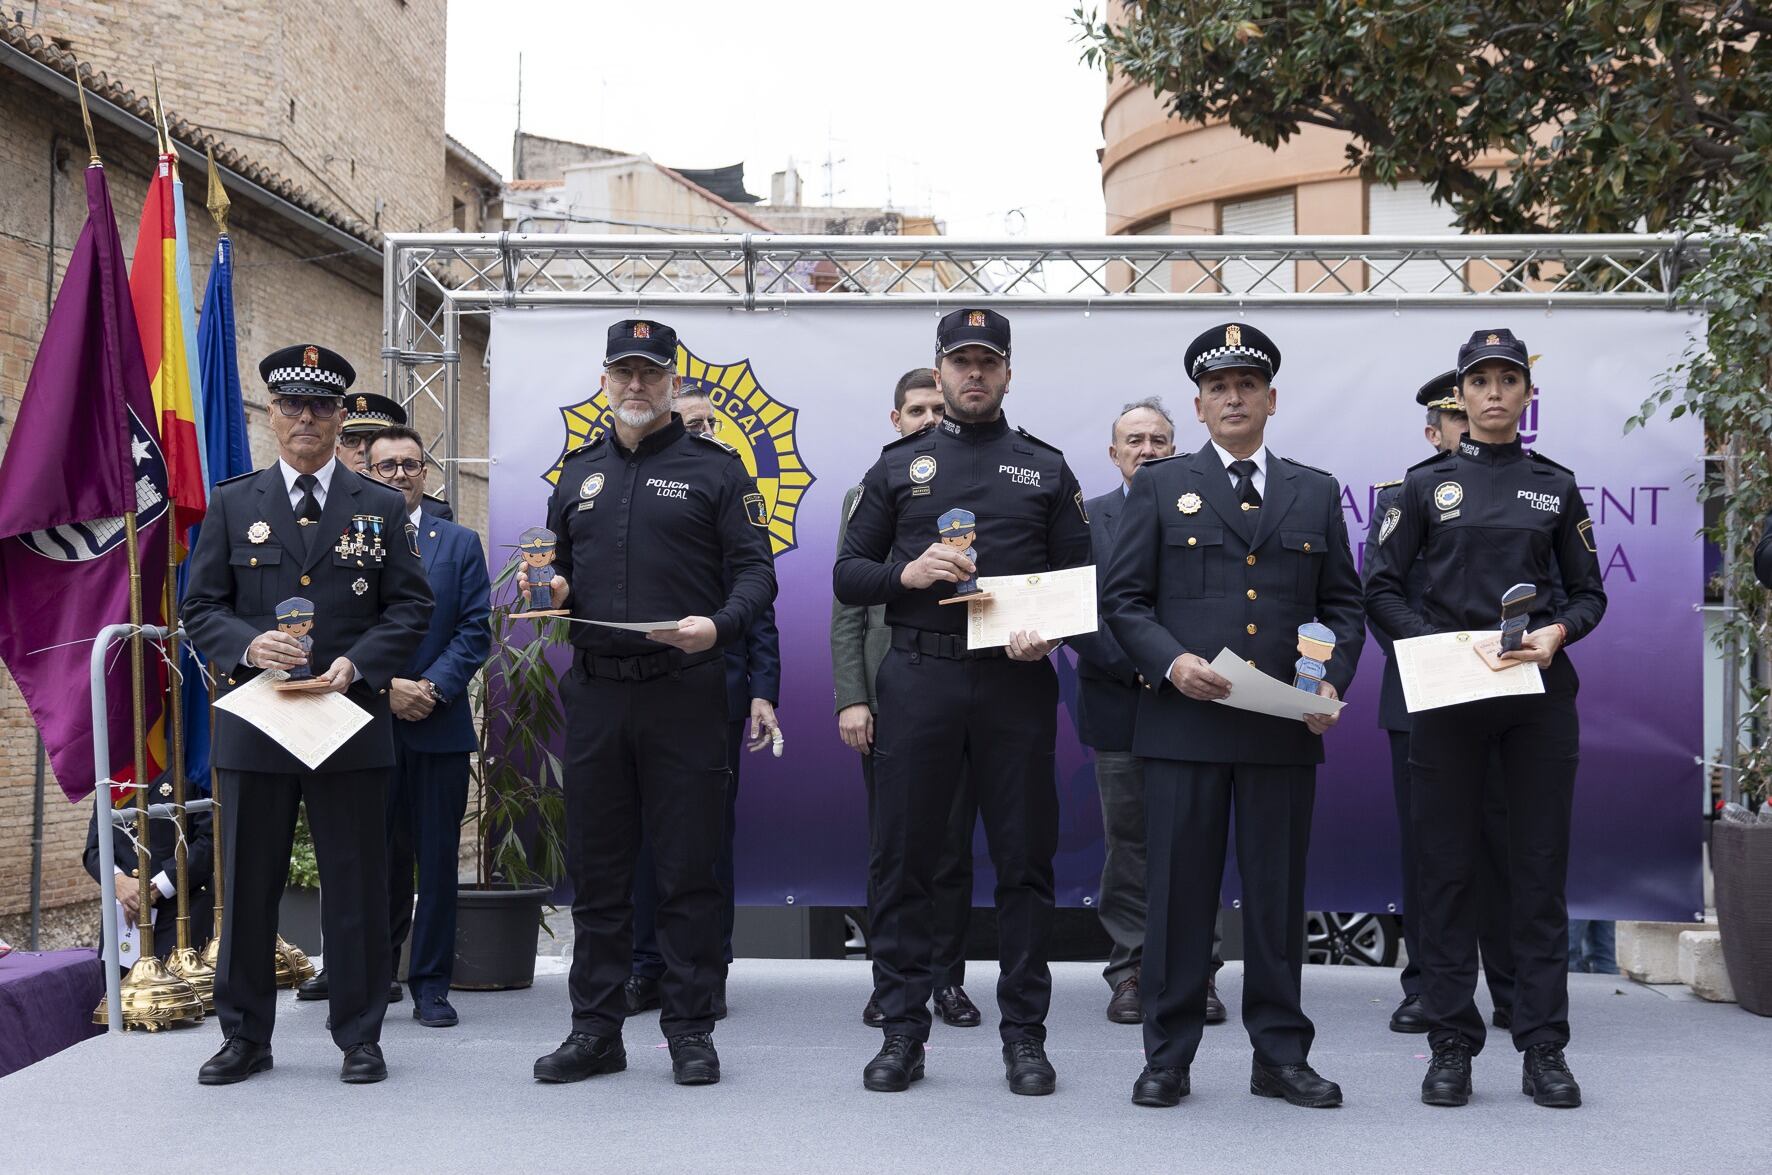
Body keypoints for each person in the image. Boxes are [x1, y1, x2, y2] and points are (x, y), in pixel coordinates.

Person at [1102, 322, 1364, 1110]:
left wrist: (1330, 683)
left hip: (1282, 729)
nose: (1234, 396)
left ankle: (1280, 1054)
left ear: (1271, 398)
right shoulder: (1158, 483)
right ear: (1200, 404)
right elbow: (1123, 600)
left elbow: (1344, 605)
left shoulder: (1313, 490)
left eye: (1247, 384)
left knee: (1278, 901)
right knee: (1179, 898)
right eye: (1219, 386)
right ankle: (1168, 1054)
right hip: (1185, 726)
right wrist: (1171, 661)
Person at [834, 308, 1090, 1096]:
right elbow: (848, 574)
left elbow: (1083, 587)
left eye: (988, 361)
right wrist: (905, 575)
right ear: (938, 371)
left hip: (1014, 683)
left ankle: (1025, 1036)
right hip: (920, 677)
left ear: (1007, 373)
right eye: (960, 361)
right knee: (905, 858)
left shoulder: (1044, 468)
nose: (973, 374)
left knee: (1023, 864)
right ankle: (903, 1030)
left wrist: (1046, 632)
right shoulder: (896, 467)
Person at [527, 319, 775, 1087]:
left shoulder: (719, 470)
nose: (637, 384)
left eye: (651, 372)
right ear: (605, 377)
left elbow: (757, 576)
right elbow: (558, 572)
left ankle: (690, 1028)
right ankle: (595, 1029)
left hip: (685, 694)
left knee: (687, 869)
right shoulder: (575, 475)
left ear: (671, 380)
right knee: (599, 874)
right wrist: (556, 589)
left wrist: (720, 626)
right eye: (624, 371)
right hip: (598, 693)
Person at [1364, 327, 1607, 1110]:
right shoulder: (1420, 485)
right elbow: (1381, 590)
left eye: (1509, 380)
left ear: (1527, 397)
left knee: (1536, 875)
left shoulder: (1556, 485)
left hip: (1536, 701)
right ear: (1460, 398)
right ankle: (1449, 1045)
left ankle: (1543, 1047)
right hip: (1448, 700)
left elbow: (1589, 593)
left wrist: (1557, 631)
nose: (1496, 392)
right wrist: (1434, 646)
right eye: (1481, 381)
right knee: (1446, 874)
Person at [182, 343, 433, 1086]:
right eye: (292, 405)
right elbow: (201, 605)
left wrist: (360, 664)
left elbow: (411, 606)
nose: (305, 418)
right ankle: (244, 1035)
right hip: (259, 720)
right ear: (272, 413)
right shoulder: (234, 502)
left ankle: (359, 1035)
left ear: (340, 420)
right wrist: (246, 643)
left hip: (344, 716)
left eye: (321, 406)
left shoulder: (381, 506)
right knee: (249, 882)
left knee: (355, 885)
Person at [1068, 397, 1230, 1027]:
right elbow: (1078, 612)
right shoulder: (1088, 521)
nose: (1146, 449)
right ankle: (1132, 969)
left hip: (1196, 707)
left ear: (1176, 446)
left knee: (1195, 841)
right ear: (1113, 454)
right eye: (1132, 440)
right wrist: (1145, 664)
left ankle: (1199, 972)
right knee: (1130, 846)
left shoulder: (1206, 507)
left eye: (1158, 439)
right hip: (1121, 705)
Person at [832, 368, 982, 1031]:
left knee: (951, 847)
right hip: (887, 694)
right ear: (896, 420)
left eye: (936, 406)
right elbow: (847, 605)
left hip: (964, 690)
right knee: (892, 847)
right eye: (915, 409)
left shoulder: (985, 489)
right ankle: (889, 979)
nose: (926, 417)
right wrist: (852, 697)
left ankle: (946, 980)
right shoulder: (870, 492)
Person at [627, 383, 782, 1022]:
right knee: (641, 839)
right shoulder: (635, 490)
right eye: (692, 422)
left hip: (716, 691)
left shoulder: (726, 491)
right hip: (638, 690)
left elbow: (759, 606)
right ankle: (645, 967)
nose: (705, 432)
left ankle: (707, 969)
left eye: (711, 422)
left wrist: (762, 693)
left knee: (706, 844)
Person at [1367, 373, 1516, 1034]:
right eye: (1453, 420)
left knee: (1504, 845)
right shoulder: (1404, 496)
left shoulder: (1527, 491)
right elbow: (1379, 595)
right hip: (1424, 695)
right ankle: (1428, 982)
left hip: (1507, 693)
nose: (1467, 428)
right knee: (1432, 848)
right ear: (1434, 431)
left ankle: (1512, 987)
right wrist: (1435, 654)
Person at [368, 424, 491, 1027]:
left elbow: (475, 629)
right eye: (386, 466)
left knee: (438, 861)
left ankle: (431, 986)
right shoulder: (347, 542)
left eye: (409, 465)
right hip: (368, 722)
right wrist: (387, 689)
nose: (398, 475)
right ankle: (372, 977)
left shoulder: (460, 542)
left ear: (426, 472)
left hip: (437, 725)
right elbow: (337, 630)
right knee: (371, 857)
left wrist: (432, 688)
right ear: (369, 473)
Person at [82, 773, 214, 963]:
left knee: (174, 989)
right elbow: (94, 848)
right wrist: (118, 881)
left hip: (180, 911)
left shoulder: (189, 761)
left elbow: (210, 841)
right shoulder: (117, 770)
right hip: (126, 913)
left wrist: (155, 888)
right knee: (120, 989)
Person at [337, 391, 455, 521]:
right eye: (352, 441)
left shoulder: (431, 512)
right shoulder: (322, 500)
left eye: (372, 440)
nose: (363, 449)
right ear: (338, 452)